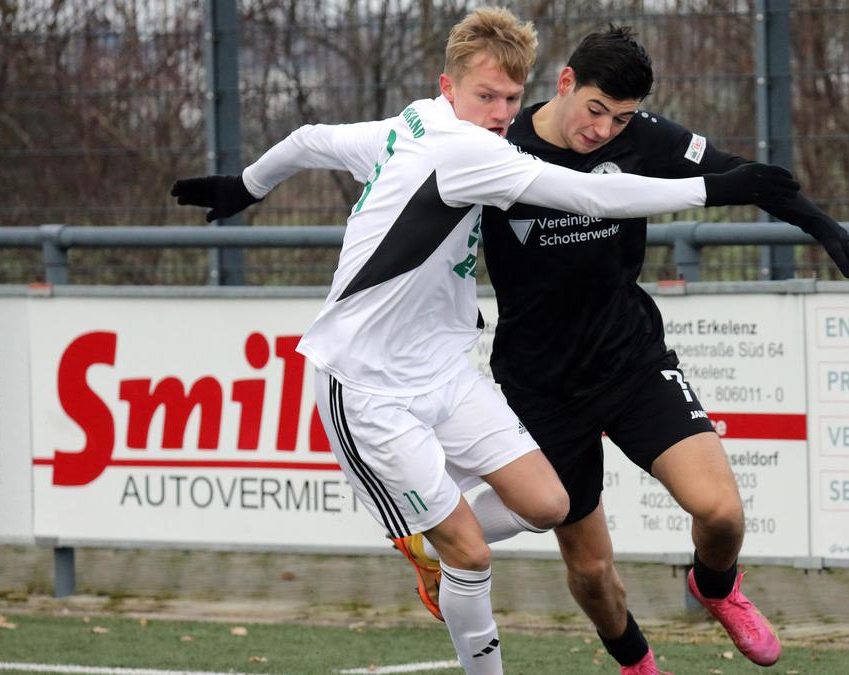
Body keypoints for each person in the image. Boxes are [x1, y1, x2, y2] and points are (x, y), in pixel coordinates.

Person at [170, 10, 804, 675]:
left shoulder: (408, 123)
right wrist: (715, 189)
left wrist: (244, 186)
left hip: (443, 370)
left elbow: (308, 138)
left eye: (509, 98)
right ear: (450, 86)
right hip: (365, 383)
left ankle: (431, 538)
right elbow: (591, 197)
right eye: (485, 97)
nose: (501, 113)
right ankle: (447, 568)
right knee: (471, 553)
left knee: (549, 502)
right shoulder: (470, 152)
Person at [391, 26, 849, 674]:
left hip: (631, 361)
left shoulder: (645, 138)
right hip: (543, 383)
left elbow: (746, 177)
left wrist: (825, 228)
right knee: (592, 571)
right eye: (597, 110)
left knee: (722, 511)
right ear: (565, 82)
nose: (605, 130)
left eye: (620, 118)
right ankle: (637, 663)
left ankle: (715, 587)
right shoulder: (498, 143)